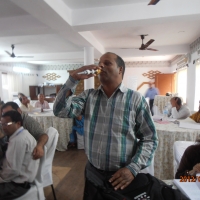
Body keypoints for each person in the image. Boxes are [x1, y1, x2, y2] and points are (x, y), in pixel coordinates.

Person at [53, 52, 158, 199]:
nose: (101, 66)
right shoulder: (88, 96)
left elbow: (150, 138)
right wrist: (73, 79)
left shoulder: (135, 100)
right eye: (100, 63)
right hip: (93, 173)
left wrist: (132, 169)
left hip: (122, 177)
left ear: (120, 69)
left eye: (107, 63)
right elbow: (60, 111)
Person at [0, 111, 39, 199]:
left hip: (16, 185)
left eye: (7, 124)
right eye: (2, 124)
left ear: (18, 123)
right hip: (15, 180)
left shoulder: (19, 140)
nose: (3, 127)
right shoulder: (21, 134)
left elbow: (12, 170)